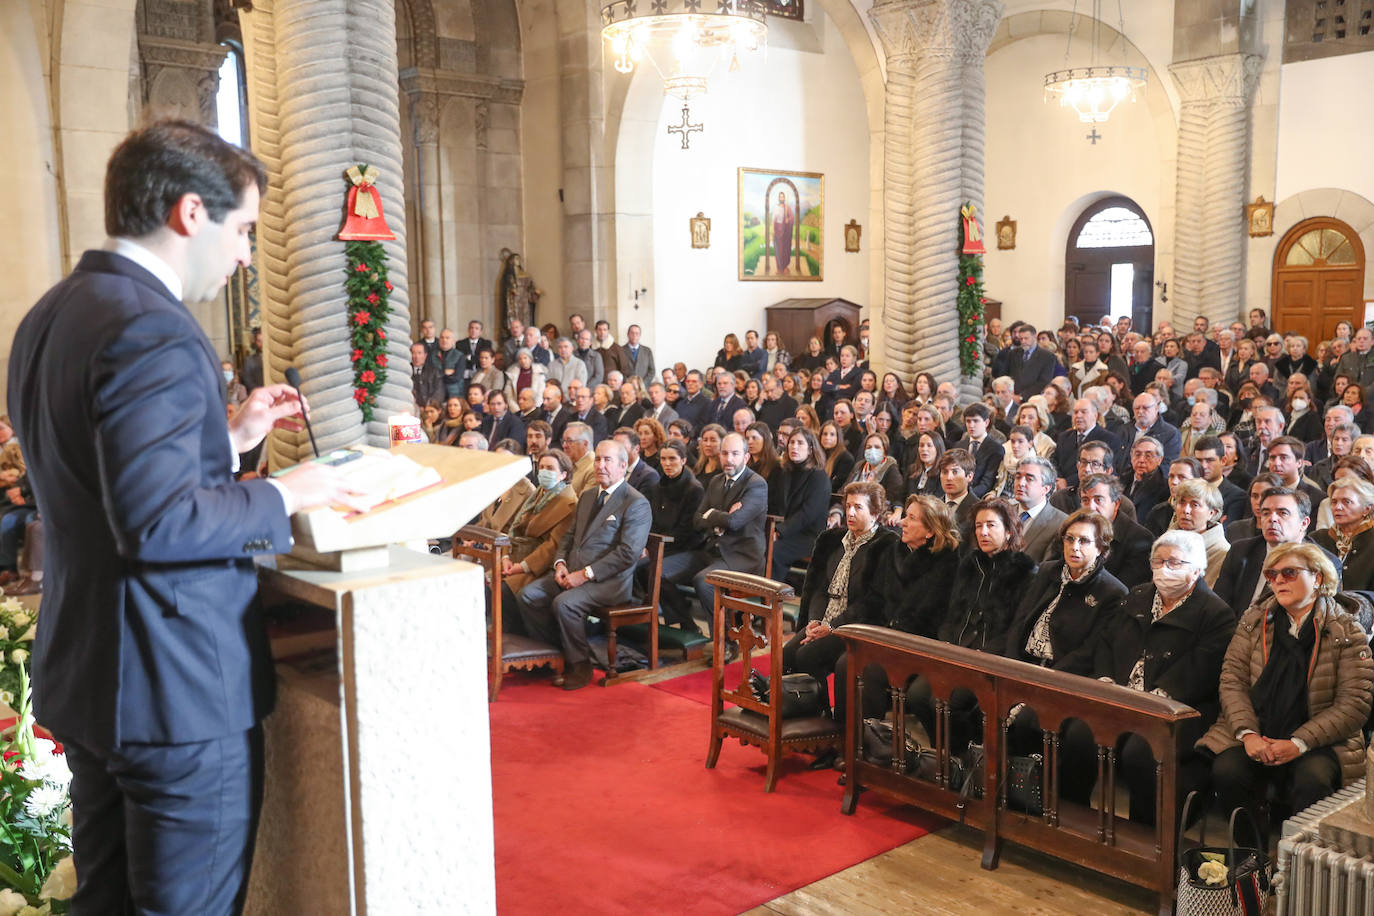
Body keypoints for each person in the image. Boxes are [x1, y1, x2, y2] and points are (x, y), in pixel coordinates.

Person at [7, 120, 366, 913]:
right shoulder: (154, 329)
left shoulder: (52, 316)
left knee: (108, 901)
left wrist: (229, 440)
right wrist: (287, 492)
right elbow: (160, 524)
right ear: (188, 213)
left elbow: (99, 483)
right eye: (242, 229)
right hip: (174, 690)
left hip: (97, 672)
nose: (246, 255)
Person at [1199, 543, 1374, 834]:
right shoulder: (1254, 620)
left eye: (1289, 573)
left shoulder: (1346, 630)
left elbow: (1354, 704)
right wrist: (1248, 733)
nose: (1278, 581)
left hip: (1321, 739)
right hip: (1259, 726)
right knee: (1227, 770)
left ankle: (1295, 863)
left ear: (1317, 578)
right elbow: (1232, 680)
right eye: (1272, 574)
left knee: (1313, 779)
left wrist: (1298, 743)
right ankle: (1250, 856)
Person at [1092, 529, 1236, 824]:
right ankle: (1074, 824)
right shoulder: (1139, 595)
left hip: (1177, 708)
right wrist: (1106, 679)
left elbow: (1200, 671)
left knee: (1139, 751)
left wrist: (1156, 700)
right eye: (1158, 561)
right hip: (1120, 696)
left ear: (1197, 569)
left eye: (1174, 563)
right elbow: (1106, 641)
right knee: (1079, 734)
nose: (1164, 569)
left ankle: (1145, 835)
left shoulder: (1216, 613)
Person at [512, 439, 651, 689]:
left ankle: (581, 664)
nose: (600, 465)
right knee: (528, 594)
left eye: (608, 460)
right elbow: (568, 536)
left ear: (623, 466)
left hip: (608, 582)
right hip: (572, 572)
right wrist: (560, 564)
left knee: (565, 604)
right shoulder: (588, 495)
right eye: (597, 459)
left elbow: (627, 554)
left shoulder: (636, 502)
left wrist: (584, 574)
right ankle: (556, 653)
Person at [784, 481, 899, 768]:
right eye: (848, 506)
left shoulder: (885, 545)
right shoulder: (834, 540)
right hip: (825, 619)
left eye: (858, 507)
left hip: (858, 624)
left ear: (875, 512)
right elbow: (819, 588)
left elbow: (874, 601)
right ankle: (816, 731)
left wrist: (833, 626)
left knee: (808, 654)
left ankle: (840, 736)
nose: (850, 512)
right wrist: (813, 620)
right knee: (789, 653)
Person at [846, 495, 965, 750]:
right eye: (905, 515)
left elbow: (928, 617)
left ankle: (868, 749)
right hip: (889, 636)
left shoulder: (947, 562)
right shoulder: (895, 552)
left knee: (870, 670)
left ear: (931, 530)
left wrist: (887, 638)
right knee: (848, 659)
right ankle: (850, 741)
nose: (902, 523)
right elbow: (875, 598)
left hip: (921, 644)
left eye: (911, 518)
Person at [658, 432, 769, 637]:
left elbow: (735, 522)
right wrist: (720, 517)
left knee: (705, 582)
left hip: (741, 555)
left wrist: (713, 515)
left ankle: (725, 640)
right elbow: (697, 521)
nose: (729, 459)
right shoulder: (716, 481)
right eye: (725, 453)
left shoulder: (756, 484)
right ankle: (688, 627)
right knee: (659, 572)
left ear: (746, 457)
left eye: (735, 454)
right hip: (712, 550)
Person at [496, 449, 578, 599]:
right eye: (542, 468)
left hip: (538, 566)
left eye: (550, 468)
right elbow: (513, 529)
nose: (544, 472)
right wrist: (505, 557)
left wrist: (522, 566)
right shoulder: (537, 494)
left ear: (564, 474)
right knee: (483, 581)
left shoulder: (569, 504)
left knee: (503, 590)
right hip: (514, 555)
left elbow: (553, 546)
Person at [767, 428, 831, 580]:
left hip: (808, 535)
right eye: (792, 443)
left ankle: (770, 596)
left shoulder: (819, 476)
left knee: (774, 550)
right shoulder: (783, 472)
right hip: (784, 529)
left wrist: (780, 531)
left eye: (800, 443)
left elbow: (808, 513)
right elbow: (773, 502)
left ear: (810, 449)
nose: (794, 447)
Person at [1314, 476, 1374, 590]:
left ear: (1366, 509)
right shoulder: (1317, 539)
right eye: (1334, 502)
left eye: (1347, 502)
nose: (1338, 507)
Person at [1013, 456, 1069, 563]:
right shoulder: (1003, 514)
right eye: (1018, 477)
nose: (1020, 483)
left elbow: (1048, 569)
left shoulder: (1061, 523)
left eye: (1029, 479)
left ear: (1046, 489)